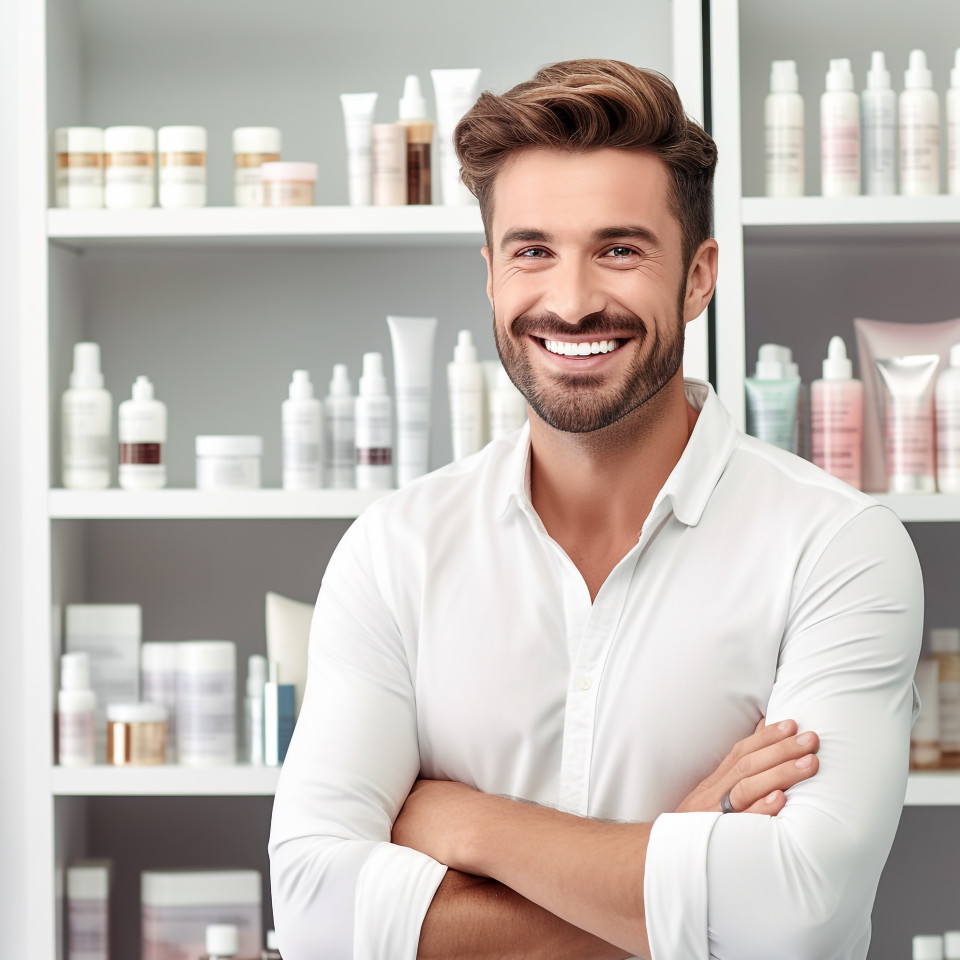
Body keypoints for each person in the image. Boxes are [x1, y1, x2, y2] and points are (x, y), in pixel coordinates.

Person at [269, 59, 922, 960]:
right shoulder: (396, 552)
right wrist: (685, 845)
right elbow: (312, 916)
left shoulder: (835, 549)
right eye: (533, 249)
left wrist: (468, 824)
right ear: (491, 275)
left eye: (619, 249)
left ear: (697, 278)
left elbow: (790, 916)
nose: (572, 302)